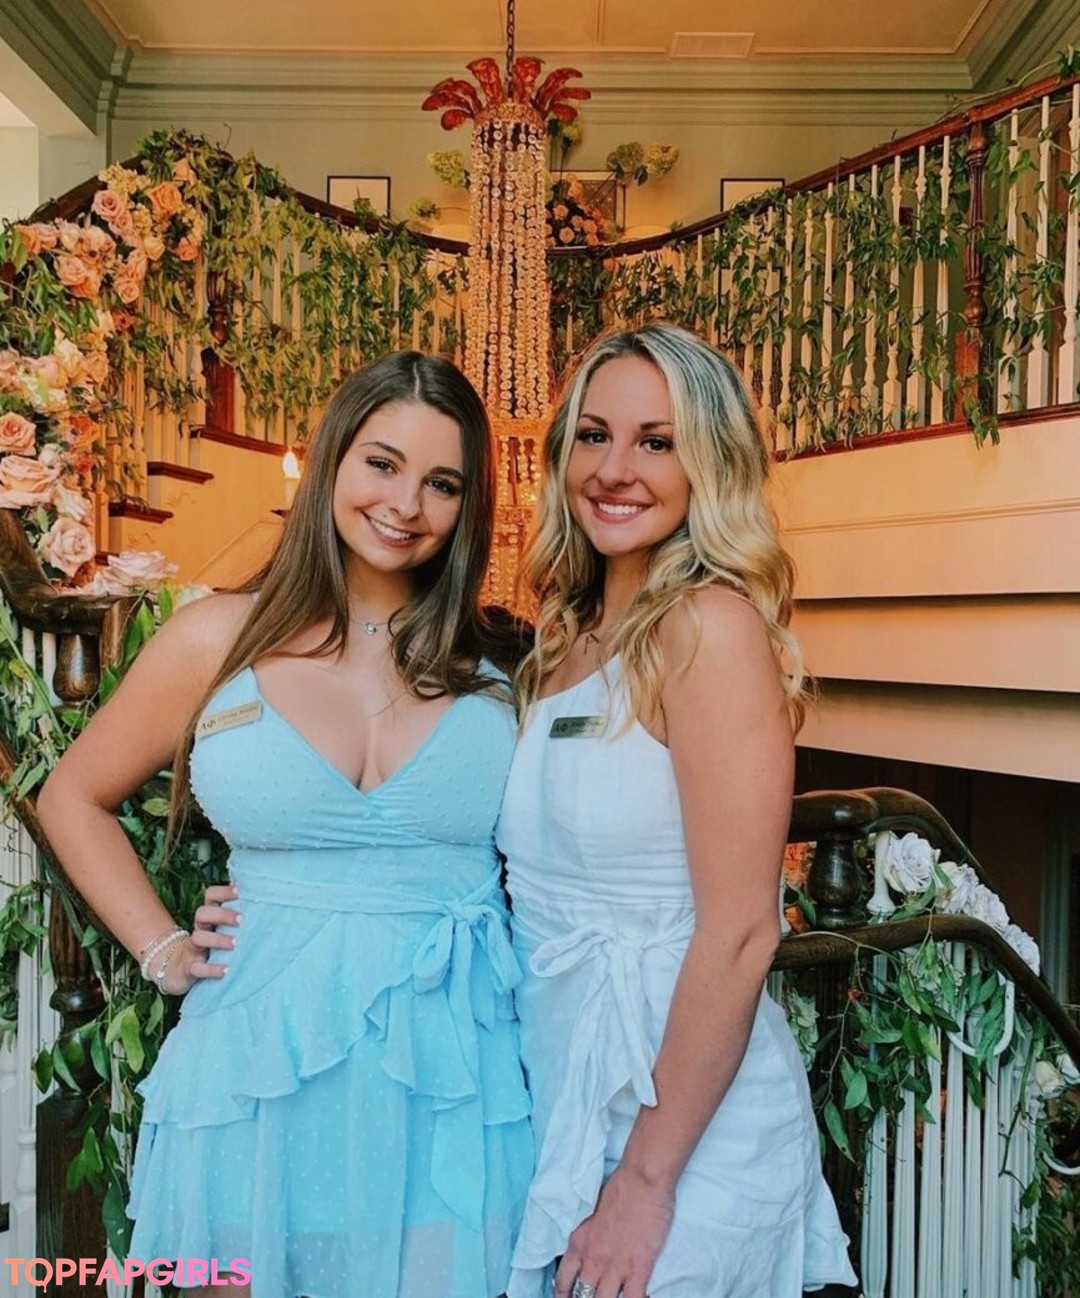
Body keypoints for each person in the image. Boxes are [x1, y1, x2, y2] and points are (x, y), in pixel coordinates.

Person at [37, 351, 533, 1298]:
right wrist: (163, 949)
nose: (405, 504)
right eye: (381, 463)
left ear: (468, 505)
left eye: (442, 483)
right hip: (253, 1069)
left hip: (456, 1080)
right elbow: (72, 797)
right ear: (333, 459)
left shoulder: (506, 663)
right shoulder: (216, 637)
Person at [497, 323, 858, 1298]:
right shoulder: (565, 637)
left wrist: (646, 1182)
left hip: (685, 1122)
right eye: (594, 434)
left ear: (709, 463)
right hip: (563, 1083)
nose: (615, 469)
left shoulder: (709, 626)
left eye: (656, 441)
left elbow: (741, 930)